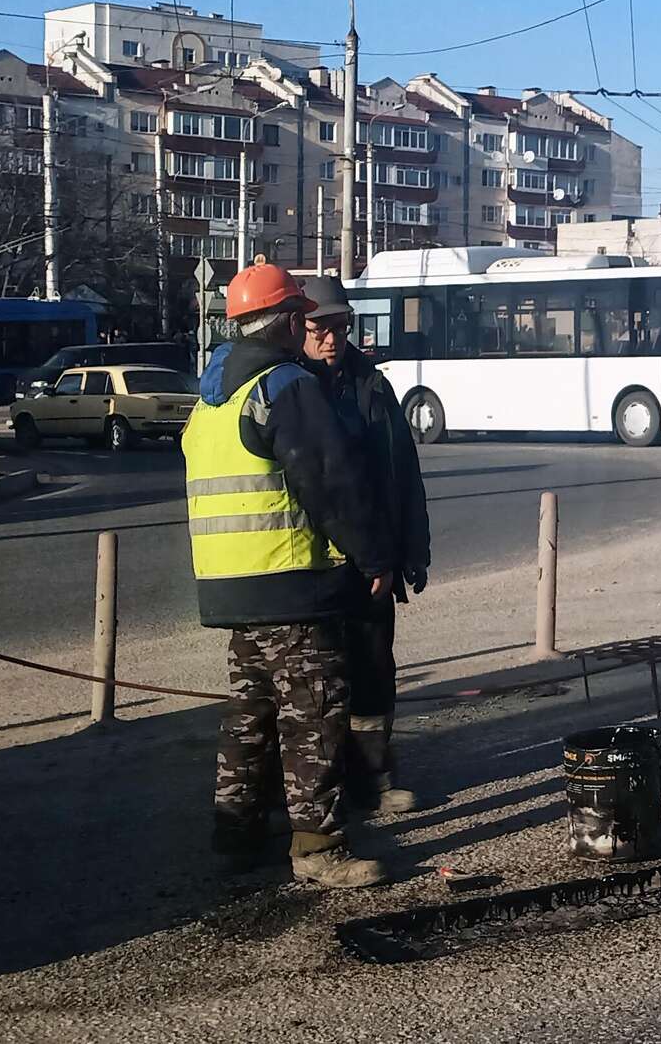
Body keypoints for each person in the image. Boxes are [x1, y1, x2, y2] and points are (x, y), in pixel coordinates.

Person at [183, 262, 395, 889]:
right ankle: (319, 848)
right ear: (288, 321)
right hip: (291, 584)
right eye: (303, 315)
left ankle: (237, 833)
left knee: (249, 714)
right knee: (313, 715)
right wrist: (374, 557)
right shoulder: (285, 387)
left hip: (229, 585)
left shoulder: (211, 398)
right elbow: (330, 485)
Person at [298, 275, 432, 817]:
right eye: (320, 328)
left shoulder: (373, 384)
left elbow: (403, 471)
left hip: (375, 560)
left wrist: (411, 549)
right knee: (320, 680)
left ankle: (376, 776)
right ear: (298, 328)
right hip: (315, 563)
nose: (332, 338)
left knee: (375, 669)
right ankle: (320, 787)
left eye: (340, 326)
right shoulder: (289, 385)